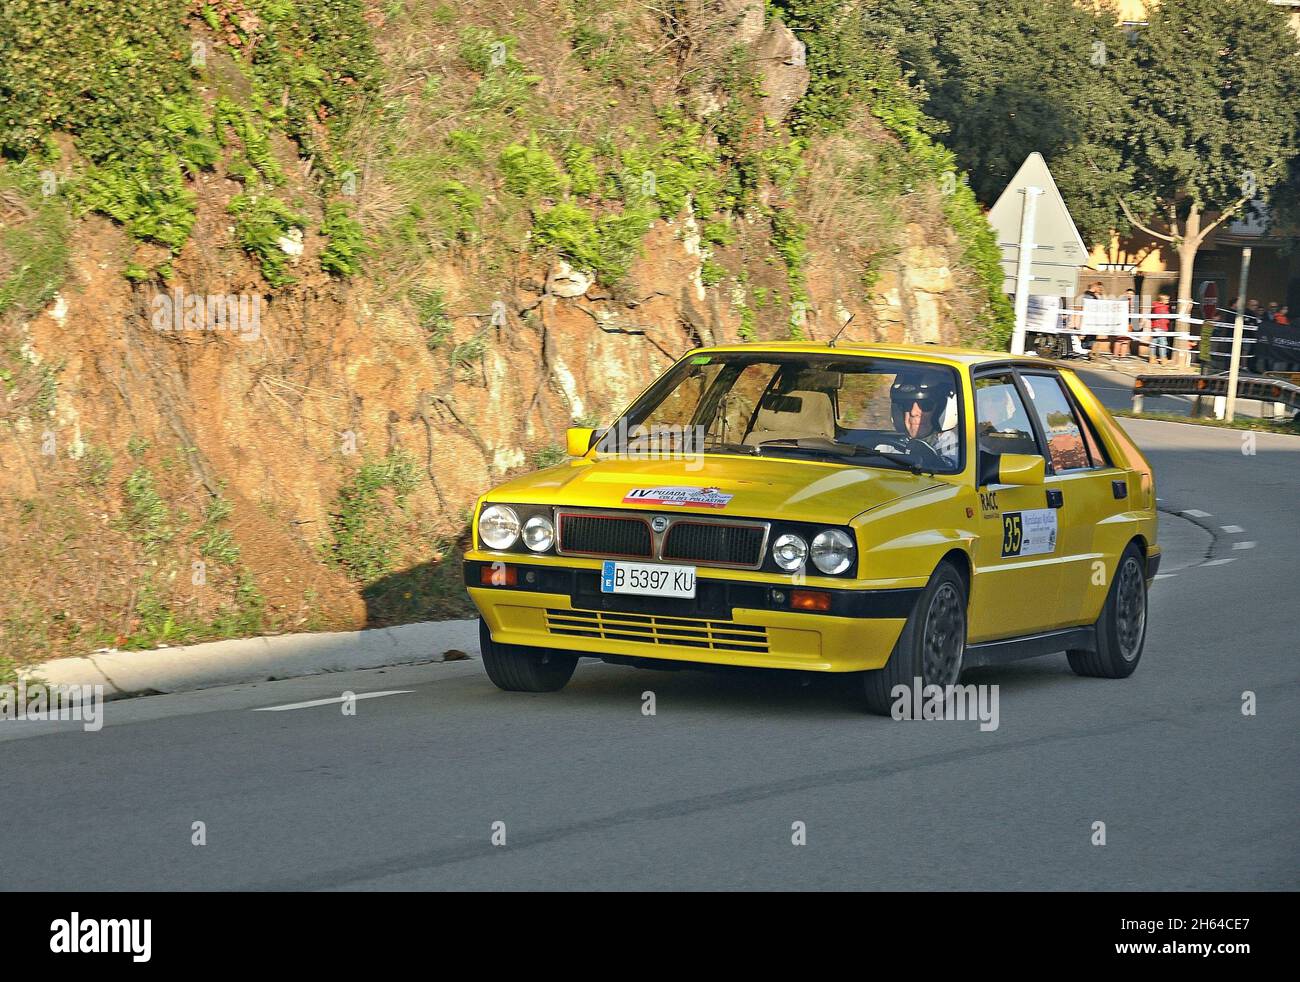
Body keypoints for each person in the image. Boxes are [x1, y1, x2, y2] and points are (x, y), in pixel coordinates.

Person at [889, 370, 959, 468]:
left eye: (925, 405)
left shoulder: (958, 453)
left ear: (941, 410)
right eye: (906, 405)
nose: (913, 412)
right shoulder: (888, 447)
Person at [1151, 292, 1172, 364]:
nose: (1168, 301)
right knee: (1162, 343)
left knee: (1154, 342)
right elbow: (1166, 316)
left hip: (1155, 326)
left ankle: (1152, 357)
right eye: (1166, 299)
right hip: (1161, 327)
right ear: (1161, 300)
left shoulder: (1155, 306)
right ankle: (1163, 358)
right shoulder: (1162, 307)